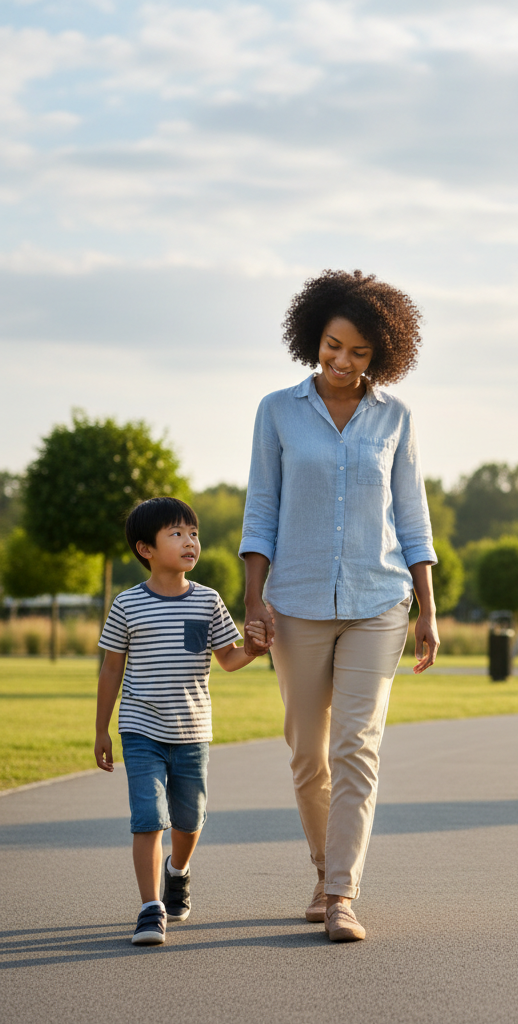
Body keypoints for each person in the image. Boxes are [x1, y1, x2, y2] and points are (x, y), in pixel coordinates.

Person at [240, 269, 439, 943]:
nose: (343, 362)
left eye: (359, 352)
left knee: (359, 745)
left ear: (382, 353)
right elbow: (260, 510)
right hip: (293, 603)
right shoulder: (277, 410)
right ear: (312, 338)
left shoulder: (396, 418)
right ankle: (325, 869)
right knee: (307, 752)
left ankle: (340, 892)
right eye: (333, 346)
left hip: (379, 600)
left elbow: (412, 517)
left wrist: (429, 611)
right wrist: (254, 601)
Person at [95, 497, 268, 946]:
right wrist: (101, 730)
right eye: (176, 534)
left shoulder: (207, 601)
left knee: (188, 821)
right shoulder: (127, 604)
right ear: (145, 549)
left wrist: (252, 650)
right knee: (148, 818)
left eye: (193, 533)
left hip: (192, 731)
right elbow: (112, 668)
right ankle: (150, 909)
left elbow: (227, 659)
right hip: (139, 728)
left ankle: (178, 870)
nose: (189, 541)